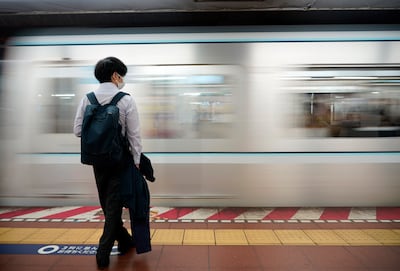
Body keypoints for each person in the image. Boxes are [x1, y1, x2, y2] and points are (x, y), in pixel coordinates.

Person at [73, 57, 142, 269]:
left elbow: (77, 131)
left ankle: (126, 241)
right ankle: (102, 252)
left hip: (97, 161)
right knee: (112, 208)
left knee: (108, 204)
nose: (122, 79)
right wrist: (138, 161)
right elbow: (134, 136)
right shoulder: (126, 100)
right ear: (115, 75)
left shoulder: (87, 99)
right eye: (121, 75)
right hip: (119, 161)